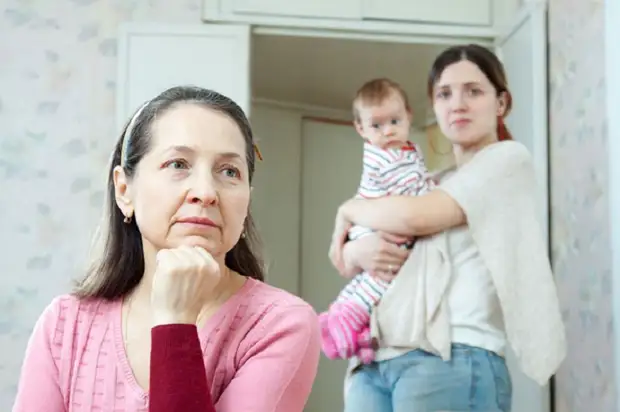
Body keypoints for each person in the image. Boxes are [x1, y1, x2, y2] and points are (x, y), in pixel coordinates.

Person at [12, 86, 321, 412]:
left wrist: (175, 322)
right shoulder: (64, 324)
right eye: (178, 164)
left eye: (229, 171)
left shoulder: (280, 325)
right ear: (123, 190)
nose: (205, 192)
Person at [328, 44, 567, 412]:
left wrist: (348, 209)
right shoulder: (429, 183)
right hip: (375, 360)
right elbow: (344, 260)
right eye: (444, 93)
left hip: (451, 356)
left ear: (501, 103)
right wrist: (355, 249)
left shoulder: (505, 161)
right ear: (433, 107)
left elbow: (415, 218)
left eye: (473, 91)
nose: (457, 103)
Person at [319, 78, 434, 364]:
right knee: (387, 272)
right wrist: (436, 194)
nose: (388, 131)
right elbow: (415, 197)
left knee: (369, 276)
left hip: (369, 221)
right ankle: (353, 315)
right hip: (373, 226)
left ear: (409, 114)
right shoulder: (384, 159)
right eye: (377, 126)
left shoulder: (404, 150)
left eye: (395, 120)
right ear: (360, 129)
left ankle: (343, 314)